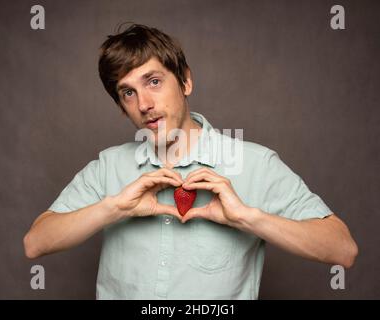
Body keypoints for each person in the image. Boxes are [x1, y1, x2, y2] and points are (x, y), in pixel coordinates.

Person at [23, 24, 358, 299]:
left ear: (185, 81)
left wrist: (248, 218)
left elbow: (342, 249)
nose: (144, 104)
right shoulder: (107, 167)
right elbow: (35, 243)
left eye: (154, 82)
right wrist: (114, 209)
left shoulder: (256, 163)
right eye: (128, 92)